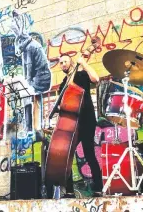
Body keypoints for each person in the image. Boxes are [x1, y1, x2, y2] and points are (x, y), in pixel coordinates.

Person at [49, 53, 103, 198]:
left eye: (65, 61)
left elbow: (96, 79)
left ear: (72, 62)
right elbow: (63, 104)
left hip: (86, 120)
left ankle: (98, 188)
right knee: (66, 156)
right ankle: (70, 191)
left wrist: (83, 63)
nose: (63, 64)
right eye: (61, 63)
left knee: (89, 153)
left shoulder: (81, 76)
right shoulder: (63, 84)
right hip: (71, 124)